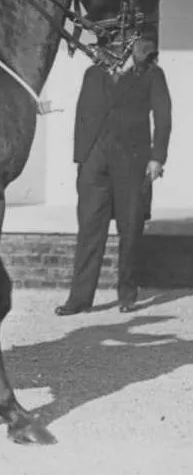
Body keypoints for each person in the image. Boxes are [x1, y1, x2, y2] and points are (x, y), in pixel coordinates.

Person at [55, 38, 172, 315]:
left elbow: (164, 117)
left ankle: (127, 295)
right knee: (89, 228)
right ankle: (79, 299)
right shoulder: (93, 74)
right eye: (109, 44)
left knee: (130, 227)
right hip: (94, 160)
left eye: (120, 43)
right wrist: (82, 157)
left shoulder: (152, 74)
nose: (112, 49)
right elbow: (83, 115)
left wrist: (157, 158)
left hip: (132, 159)